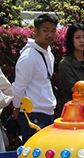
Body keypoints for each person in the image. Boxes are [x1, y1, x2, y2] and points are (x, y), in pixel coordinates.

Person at [13, 13, 58, 142]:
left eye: (53, 31)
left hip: (47, 110)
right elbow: (19, 86)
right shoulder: (29, 56)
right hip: (32, 113)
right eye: (45, 30)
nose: (49, 34)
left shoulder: (49, 54)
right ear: (36, 31)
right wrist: (17, 107)